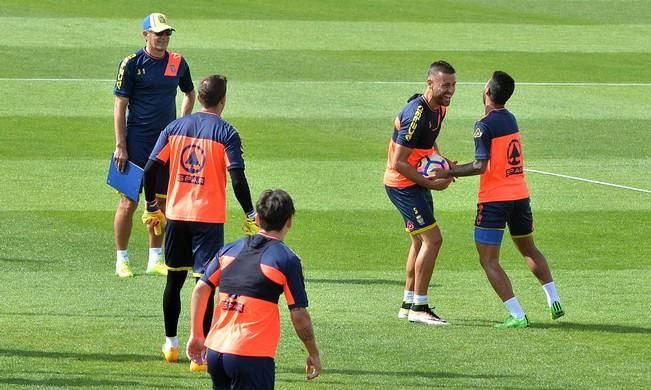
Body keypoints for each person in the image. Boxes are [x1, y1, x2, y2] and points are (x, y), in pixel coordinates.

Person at [141, 74, 260, 370]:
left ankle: (171, 343)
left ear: (201, 98)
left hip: (177, 216)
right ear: (222, 101)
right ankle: (201, 354)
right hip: (208, 220)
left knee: (174, 280)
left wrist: (152, 206)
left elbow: (150, 168)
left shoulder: (175, 127)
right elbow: (237, 177)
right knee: (205, 284)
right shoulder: (227, 133)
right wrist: (250, 214)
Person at [433, 71, 565, 328]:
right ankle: (553, 299)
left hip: (495, 201)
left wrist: (449, 171)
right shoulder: (511, 118)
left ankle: (517, 314)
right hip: (520, 197)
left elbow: (480, 166)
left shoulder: (484, 124)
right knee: (529, 248)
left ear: (487, 92)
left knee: (488, 259)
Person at [186, 189, 321, 389]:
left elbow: (200, 290)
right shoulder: (287, 260)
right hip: (250, 355)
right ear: (289, 221)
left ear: (257, 218)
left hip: (215, 352)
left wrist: (196, 334)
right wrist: (313, 352)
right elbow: (299, 314)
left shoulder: (229, 250)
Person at [112, 12, 196, 278]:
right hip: (136, 142)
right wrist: (120, 145)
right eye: (158, 33)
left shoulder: (177, 62)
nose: (163, 38)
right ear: (145, 35)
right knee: (128, 202)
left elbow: (189, 93)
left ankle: (155, 259)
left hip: (165, 144)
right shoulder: (131, 63)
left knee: (160, 203)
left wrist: (182, 125)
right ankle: (122, 259)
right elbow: (120, 105)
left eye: (166, 33)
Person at [383, 61, 456, 325]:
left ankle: (408, 303)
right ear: (430, 83)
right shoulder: (415, 113)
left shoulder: (440, 108)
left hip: (414, 181)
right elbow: (398, 162)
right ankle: (420, 307)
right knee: (433, 240)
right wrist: (430, 183)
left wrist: (442, 162)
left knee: (419, 242)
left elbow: (428, 141)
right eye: (445, 85)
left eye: (453, 85)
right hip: (402, 185)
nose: (450, 90)